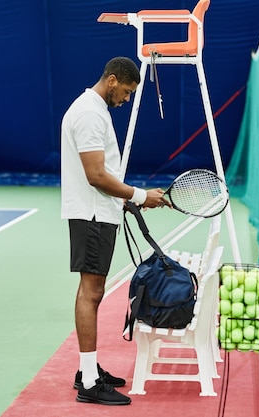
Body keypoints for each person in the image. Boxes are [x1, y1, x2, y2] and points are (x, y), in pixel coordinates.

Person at [60, 56, 170, 405]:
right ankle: (90, 382)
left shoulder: (94, 109)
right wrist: (138, 194)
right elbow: (95, 175)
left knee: (93, 290)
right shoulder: (90, 113)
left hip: (98, 211)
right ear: (111, 80)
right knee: (91, 292)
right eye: (124, 91)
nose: (125, 99)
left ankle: (87, 369)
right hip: (91, 216)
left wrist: (124, 200)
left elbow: (100, 174)